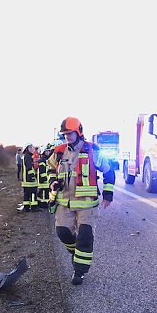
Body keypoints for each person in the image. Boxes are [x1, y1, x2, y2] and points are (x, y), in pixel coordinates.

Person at [47, 117, 115, 285]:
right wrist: (52, 181)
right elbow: (50, 168)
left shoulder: (93, 150)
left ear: (79, 132)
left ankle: (79, 271)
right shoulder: (59, 151)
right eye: (64, 134)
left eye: (70, 133)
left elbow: (109, 171)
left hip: (87, 205)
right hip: (64, 203)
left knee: (85, 236)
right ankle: (76, 253)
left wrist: (108, 194)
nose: (67, 137)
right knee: (62, 232)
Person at [19, 143, 39, 212]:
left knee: (26, 195)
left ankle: (26, 208)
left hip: (25, 180)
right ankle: (34, 207)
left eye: (31, 147)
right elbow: (29, 168)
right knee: (33, 193)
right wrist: (32, 177)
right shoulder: (28, 157)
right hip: (29, 181)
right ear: (26, 149)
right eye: (30, 147)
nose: (32, 149)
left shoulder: (25, 156)